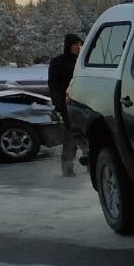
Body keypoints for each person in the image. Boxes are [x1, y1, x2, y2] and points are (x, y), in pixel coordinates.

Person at [47, 33, 82, 177]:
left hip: (85, 104)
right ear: (69, 46)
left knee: (90, 135)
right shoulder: (58, 62)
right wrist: (58, 103)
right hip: (68, 104)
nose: (79, 47)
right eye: (76, 45)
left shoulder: (83, 62)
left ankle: (92, 164)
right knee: (71, 135)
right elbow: (53, 85)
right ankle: (67, 166)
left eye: (80, 44)